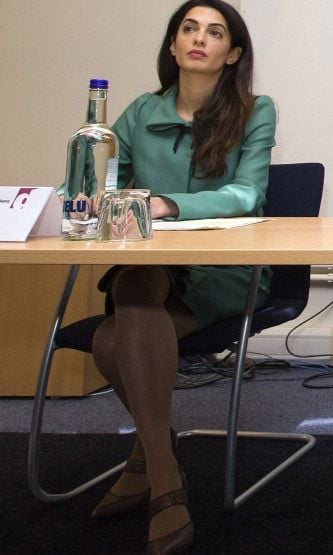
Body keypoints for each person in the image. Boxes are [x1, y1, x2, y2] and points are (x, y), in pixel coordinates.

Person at [91, 1, 276, 553]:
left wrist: (170, 204)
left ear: (232, 53)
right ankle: (165, 469)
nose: (199, 39)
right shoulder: (139, 111)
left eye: (214, 32)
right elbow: (104, 183)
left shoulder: (255, 109)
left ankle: (151, 461)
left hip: (224, 271)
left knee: (112, 335)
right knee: (130, 292)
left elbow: (248, 194)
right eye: (188, 29)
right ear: (173, 47)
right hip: (152, 271)